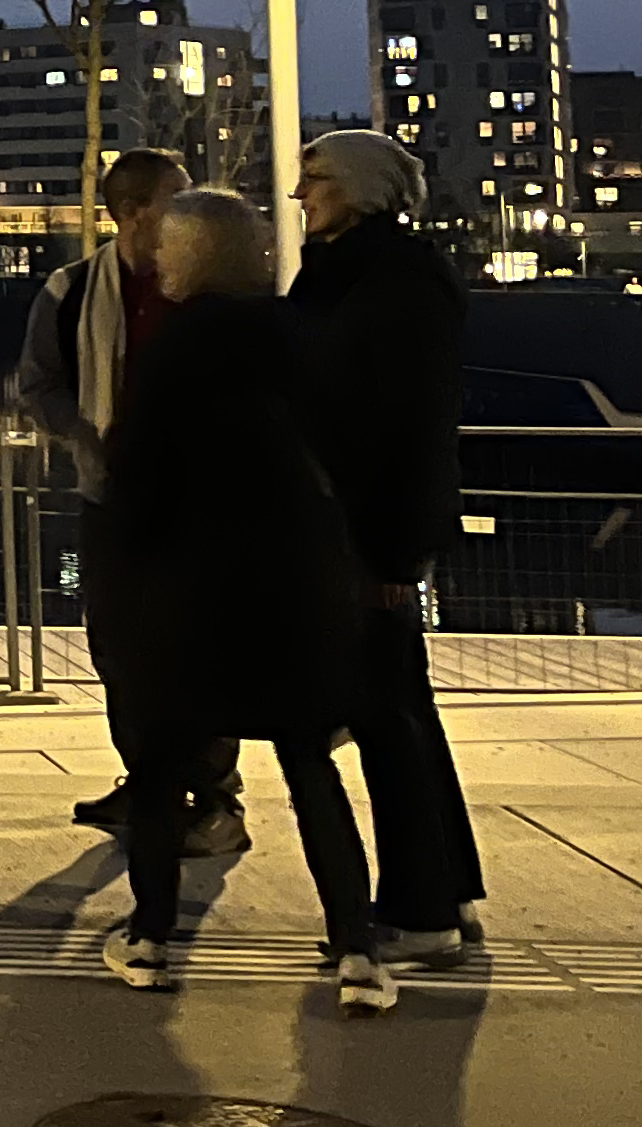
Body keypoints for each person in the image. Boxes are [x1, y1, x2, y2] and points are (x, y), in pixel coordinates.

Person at [82, 190, 393, 1013]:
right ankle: (356, 947)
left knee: (160, 770)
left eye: (169, 247)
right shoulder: (300, 335)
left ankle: (151, 938)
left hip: (191, 588)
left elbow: (140, 477)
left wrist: (119, 582)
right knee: (309, 764)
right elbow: (351, 452)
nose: (158, 259)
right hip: (292, 583)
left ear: (193, 255)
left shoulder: (178, 348)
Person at [10, 148, 243, 853]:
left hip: (199, 497)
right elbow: (38, 383)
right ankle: (148, 781)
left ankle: (214, 795)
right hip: (111, 491)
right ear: (133, 212)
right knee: (116, 644)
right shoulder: (74, 289)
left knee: (199, 643)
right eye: (176, 195)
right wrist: (87, 435)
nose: (188, 206)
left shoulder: (202, 284)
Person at [292, 128, 487, 965]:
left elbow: (409, 427)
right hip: (361, 528)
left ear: (360, 189)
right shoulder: (367, 272)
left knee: (386, 716)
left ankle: (421, 908)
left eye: (316, 178)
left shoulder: (391, 282)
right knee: (398, 710)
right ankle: (443, 888)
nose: (301, 194)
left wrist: (393, 556)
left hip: (366, 534)